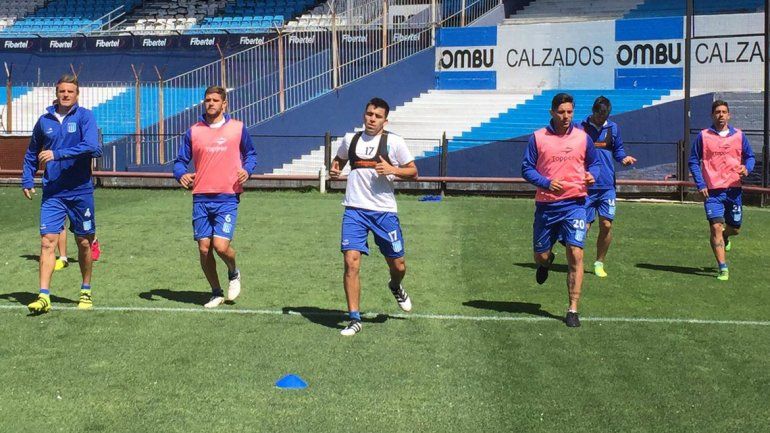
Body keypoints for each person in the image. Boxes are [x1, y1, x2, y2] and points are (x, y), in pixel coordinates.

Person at [329, 97, 418, 336]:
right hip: (354, 210)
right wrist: (335, 169)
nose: (372, 119)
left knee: (398, 265)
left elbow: (413, 171)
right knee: (351, 262)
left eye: (377, 116)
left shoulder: (394, 142)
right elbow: (339, 161)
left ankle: (395, 285)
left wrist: (393, 170)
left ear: (385, 120)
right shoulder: (351, 139)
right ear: (364, 115)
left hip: (384, 213)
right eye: (369, 114)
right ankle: (354, 318)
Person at [21, 74, 102, 313]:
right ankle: (44, 295)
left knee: (84, 243)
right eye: (62, 91)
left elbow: (93, 147)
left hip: (80, 191)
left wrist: (58, 154)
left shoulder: (85, 116)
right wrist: (27, 178)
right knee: (47, 242)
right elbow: (31, 154)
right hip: (53, 192)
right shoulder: (44, 120)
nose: (66, 95)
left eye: (70, 91)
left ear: (77, 94)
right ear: (56, 93)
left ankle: (85, 290)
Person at [173, 86, 257, 308]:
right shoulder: (193, 131)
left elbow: (251, 154)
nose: (211, 103)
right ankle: (216, 292)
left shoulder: (238, 128)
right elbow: (180, 161)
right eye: (207, 100)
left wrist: (247, 170)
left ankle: (233, 271)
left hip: (228, 195)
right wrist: (181, 174)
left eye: (215, 100)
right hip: (201, 196)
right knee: (203, 247)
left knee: (220, 246)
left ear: (224, 104)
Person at [521, 92, 599, 328]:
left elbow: (594, 163)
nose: (566, 116)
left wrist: (591, 175)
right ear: (552, 113)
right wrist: (546, 182)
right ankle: (546, 262)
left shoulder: (583, 137)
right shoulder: (538, 137)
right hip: (546, 205)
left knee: (576, 253)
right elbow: (526, 169)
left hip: (575, 203)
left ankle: (572, 309)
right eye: (561, 112)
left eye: (570, 112)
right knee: (541, 255)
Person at [688, 100, 755, 281]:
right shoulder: (704, 136)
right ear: (712, 115)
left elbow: (750, 157)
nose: (721, 115)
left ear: (729, 115)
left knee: (735, 228)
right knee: (716, 227)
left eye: (724, 112)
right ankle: (723, 267)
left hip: (734, 190)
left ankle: (727, 236)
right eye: (717, 112)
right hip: (713, 192)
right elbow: (693, 161)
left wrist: (746, 168)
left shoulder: (739, 136)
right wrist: (701, 184)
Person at [578, 96, 636, 278]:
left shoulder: (613, 128)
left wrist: (623, 159)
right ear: (593, 111)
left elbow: (618, 151)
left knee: (606, 224)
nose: (601, 118)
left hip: (607, 186)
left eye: (605, 115)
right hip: (586, 186)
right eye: (599, 114)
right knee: (583, 227)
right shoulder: (581, 128)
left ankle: (599, 262)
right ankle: (576, 261)